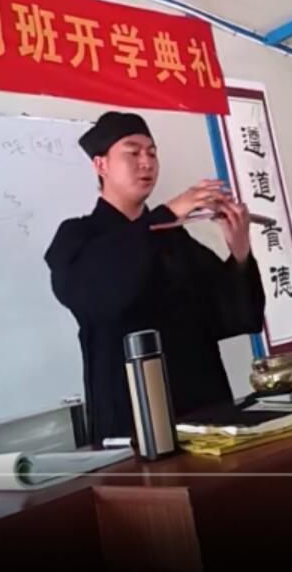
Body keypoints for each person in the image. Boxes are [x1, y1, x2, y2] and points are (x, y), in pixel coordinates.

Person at [45, 111, 266, 441]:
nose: (146, 162)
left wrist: (239, 251)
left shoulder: (173, 235)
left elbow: (234, 317)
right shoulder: (77, 236)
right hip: (130, 413)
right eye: (132, 152)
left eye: (152, 153)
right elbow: (100, 299)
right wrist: (168, 212)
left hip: (205, 406)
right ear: (100, 164)